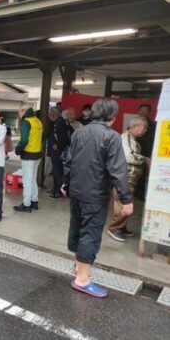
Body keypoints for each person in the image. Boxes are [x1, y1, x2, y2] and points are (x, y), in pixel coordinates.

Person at [63, 99, 133, 298]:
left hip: (76, 191)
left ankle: (79, 267)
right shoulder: (111, 137)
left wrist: (66, 183)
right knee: (90, 234)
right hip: (95, 195)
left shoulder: (79, 132)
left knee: (77, 228)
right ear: (112, 116)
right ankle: (82, 280)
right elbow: (117, 171)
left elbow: (70, 161)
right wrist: (126, 199)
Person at [108, 116, 149, 242]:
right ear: (135, 126)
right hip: (124, 178)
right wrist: (145, 159)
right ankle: (114, 228)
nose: (145, 130)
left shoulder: (132, 139)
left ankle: (122, 227)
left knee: (123, 204)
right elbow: (128, 157)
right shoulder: (126, 138)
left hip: (128, 179)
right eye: (144, 127)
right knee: (124, 205)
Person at [13, 106, 43, 213]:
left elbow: (24, 140)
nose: (19, 115)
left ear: (24, 111)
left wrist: (17, 150)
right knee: (33, 179)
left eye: (19, 112)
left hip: (28, 155)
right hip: (37, 155)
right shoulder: (38, 121)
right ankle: (34, 201)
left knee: (27, 180)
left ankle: (26, 205)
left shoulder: (26, 122)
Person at [47, 106, 70, 198]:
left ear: (53, 115)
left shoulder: (60, 124)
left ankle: (58, 191)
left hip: (57, 152)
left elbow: (64, 139)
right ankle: (55, 189)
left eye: (49, 113)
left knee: (58, 172)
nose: (48, 115)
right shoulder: (57, 122)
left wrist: (58, 146)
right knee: (56, 171)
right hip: (55, 152)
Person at [135, 104, 156, 200]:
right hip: (133, 152)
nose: (143, 112)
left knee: (142, 176)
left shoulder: (152, 126)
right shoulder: (133, 123)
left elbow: (153, 141)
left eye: (145, 110)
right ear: (138, 111)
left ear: (149, 113)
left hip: (145, 153)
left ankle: (139, 195)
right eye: (141, 110)